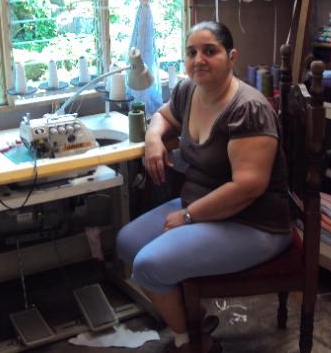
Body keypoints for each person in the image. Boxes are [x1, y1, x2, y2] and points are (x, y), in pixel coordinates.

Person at [116, 21, 292, 353]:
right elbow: (162, 116)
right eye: (191, 52)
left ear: (231, 57)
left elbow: (249, 187)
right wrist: (153, 139)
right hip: (201, 207)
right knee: (127, 242)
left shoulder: (248, 109)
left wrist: (188, 216)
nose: (199, 59)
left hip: (252, 222)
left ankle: (191, 341)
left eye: (210, 51)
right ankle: (194, 317)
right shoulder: (188, 90)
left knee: (148, 267)